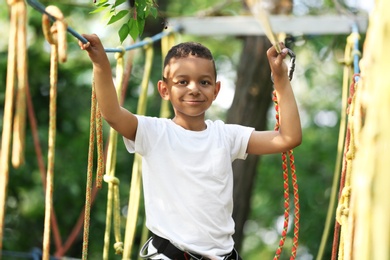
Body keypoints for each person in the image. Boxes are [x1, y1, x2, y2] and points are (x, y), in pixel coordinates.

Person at [79, 34, 301, 260]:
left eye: (204, 82)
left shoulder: (226, 135)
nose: (194, 89)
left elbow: (288, 137)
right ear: (164, 89)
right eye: (182, 82)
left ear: (216, 90)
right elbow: (112, 114)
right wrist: (100, 64)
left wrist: (280, 78)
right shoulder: (154, 132)